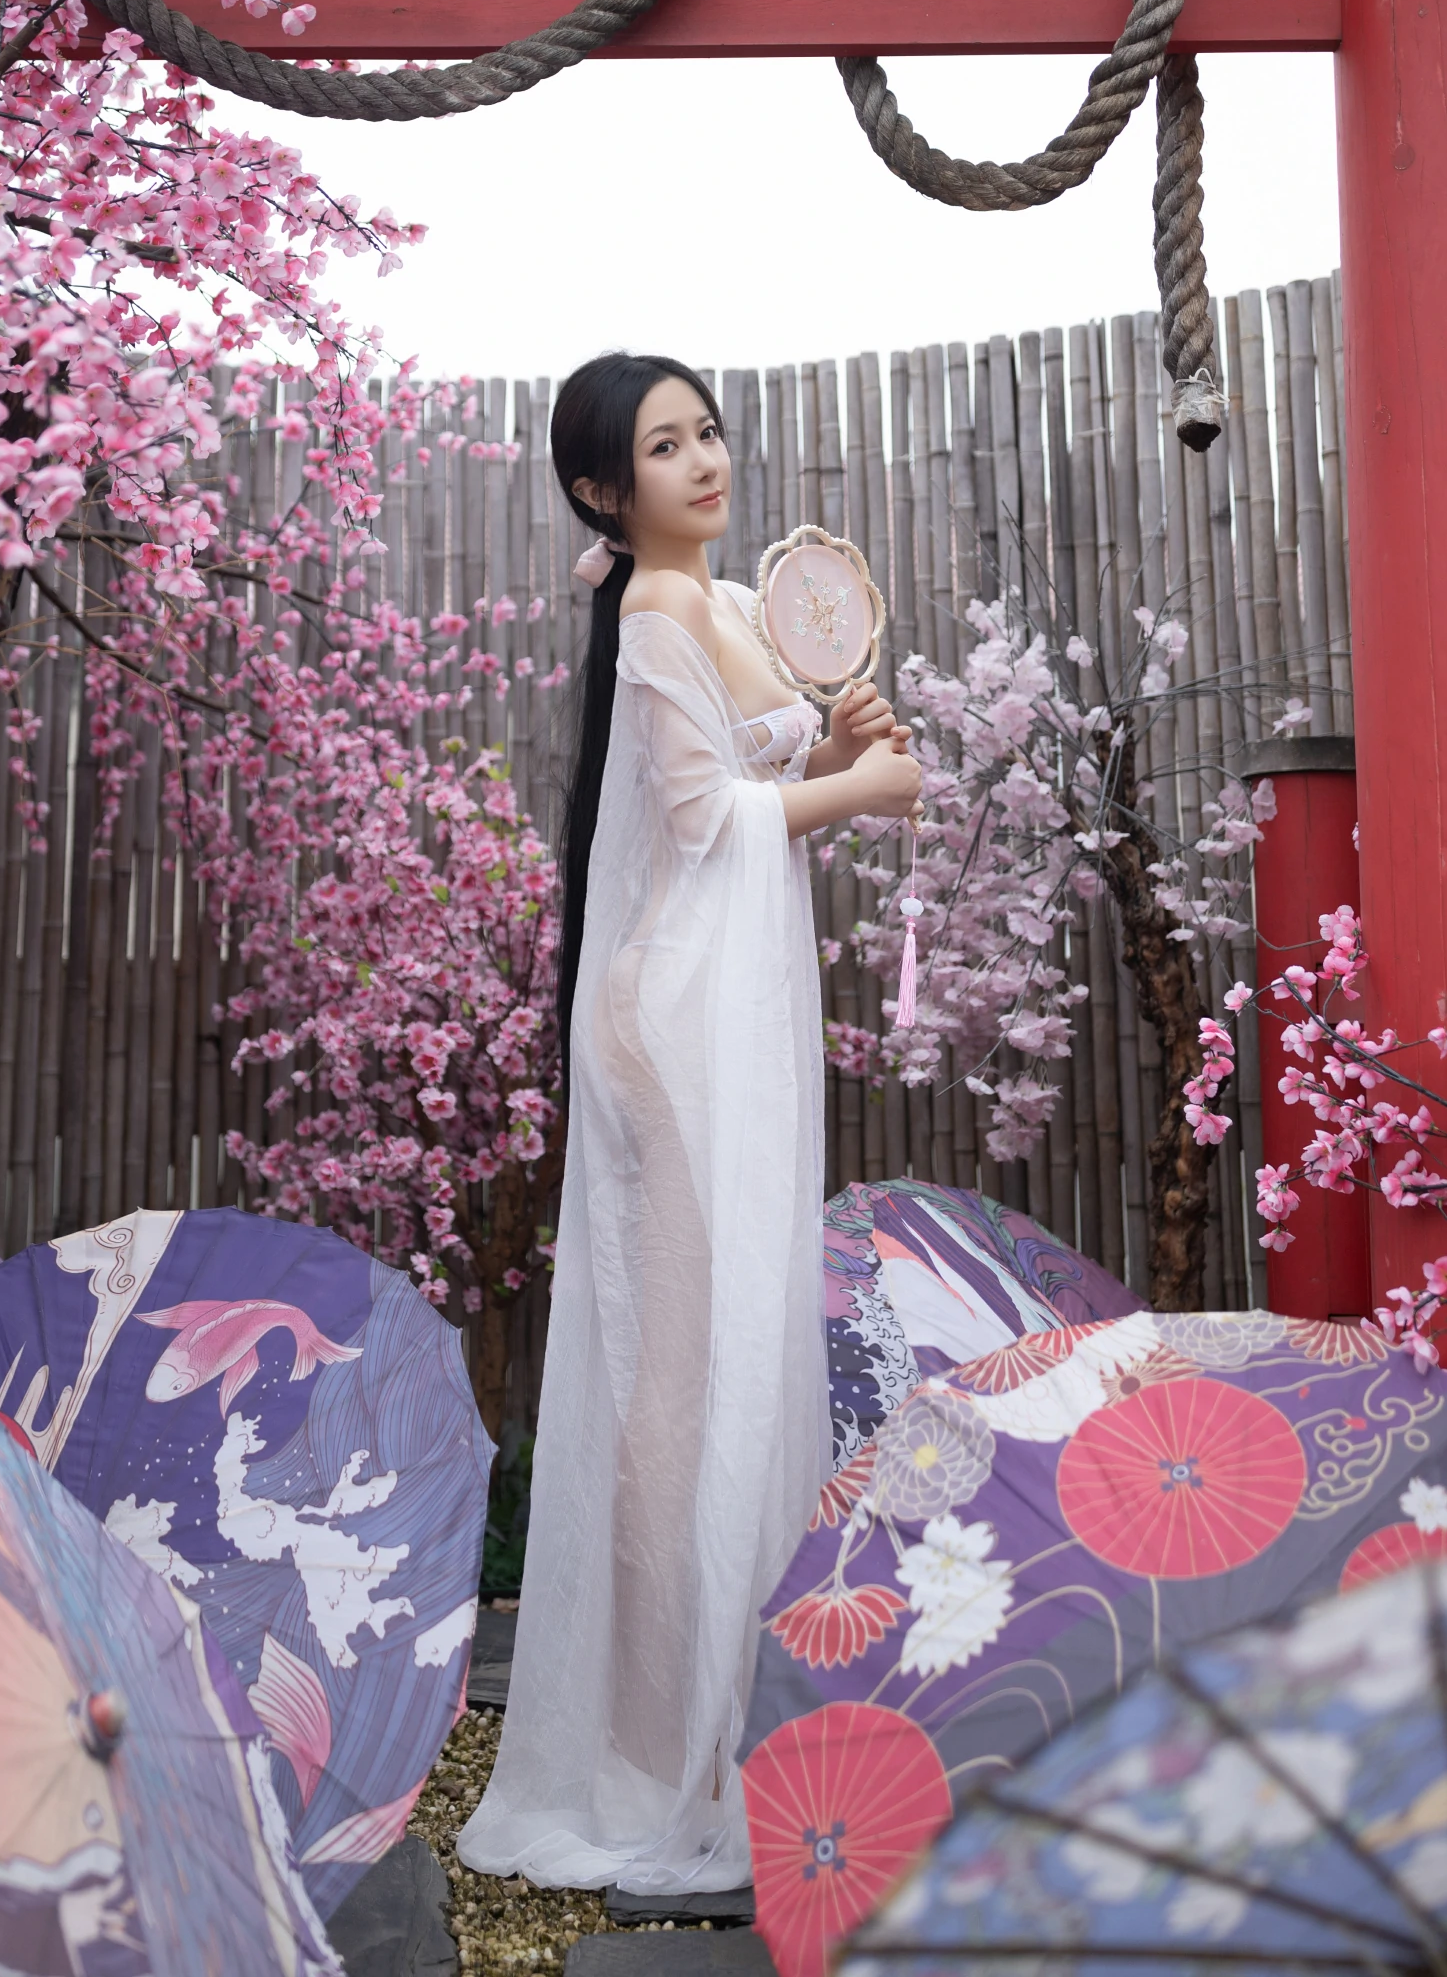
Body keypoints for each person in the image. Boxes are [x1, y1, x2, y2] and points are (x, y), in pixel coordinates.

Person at [457, 353, 922, 1894]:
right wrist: (863, 789)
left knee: (722, 1364)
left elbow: (748, 776)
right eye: (665, 447)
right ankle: (653, 1754)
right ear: (606, 490)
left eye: (705, 430)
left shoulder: (716, 602)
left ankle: (712, 1725)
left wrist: (838, 746)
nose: (704, 459)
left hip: (724, 1004)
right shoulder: (658, 608)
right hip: (674, 1025)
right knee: (676, 1390)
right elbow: (710, 821)